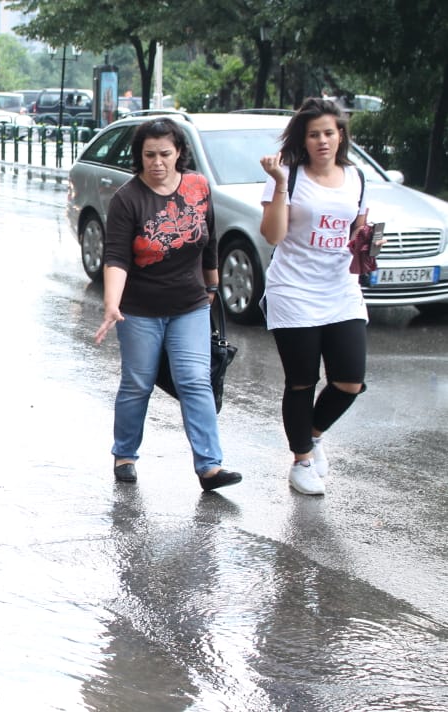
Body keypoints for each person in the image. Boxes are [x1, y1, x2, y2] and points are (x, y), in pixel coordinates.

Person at [93, 118, 242, 492]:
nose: (157, 162)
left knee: (195, 381)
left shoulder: (197, 187)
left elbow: (209, 241)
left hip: (189, 305)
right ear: (139, 157)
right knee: (138, 382)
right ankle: (125, 455)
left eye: (164, 154)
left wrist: (212, 286)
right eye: (149, 155)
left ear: (179, 153)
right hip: (139, 309)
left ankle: (210, 467)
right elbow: (116, 258)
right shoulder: (128, 198)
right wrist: (112, 304)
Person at [258, 98, 371, 497]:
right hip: (294, 290)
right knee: (302, 382)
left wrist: (368, 241)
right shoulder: (286, 174)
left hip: (341, 289)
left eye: (329, 132)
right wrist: (281, 185)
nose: (322, 140)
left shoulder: (356, 177)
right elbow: (273, 236)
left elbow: (357, 229)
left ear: (341, 135)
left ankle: (314, 435)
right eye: (314, 134)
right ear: (302, 140)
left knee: (349, 380)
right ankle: (301, 461)